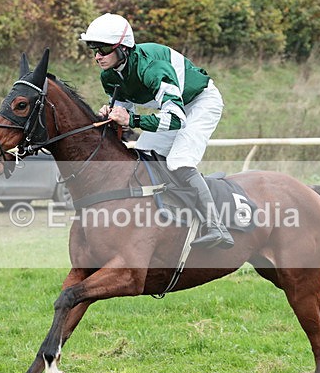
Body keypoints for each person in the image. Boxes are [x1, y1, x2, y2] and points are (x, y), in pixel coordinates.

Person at [80, 13, 234, 249]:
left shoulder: (152, 68)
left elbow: (176, 119)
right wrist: (111, 115)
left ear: (123, 48)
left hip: (199, 103)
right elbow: (124, 112)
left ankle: (216, 226)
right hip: (172, 109)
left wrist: (132, 119)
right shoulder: (109, 76)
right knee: (142, 159)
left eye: (104, 49)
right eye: (94, 49)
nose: (97, 56)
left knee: (179, 161)